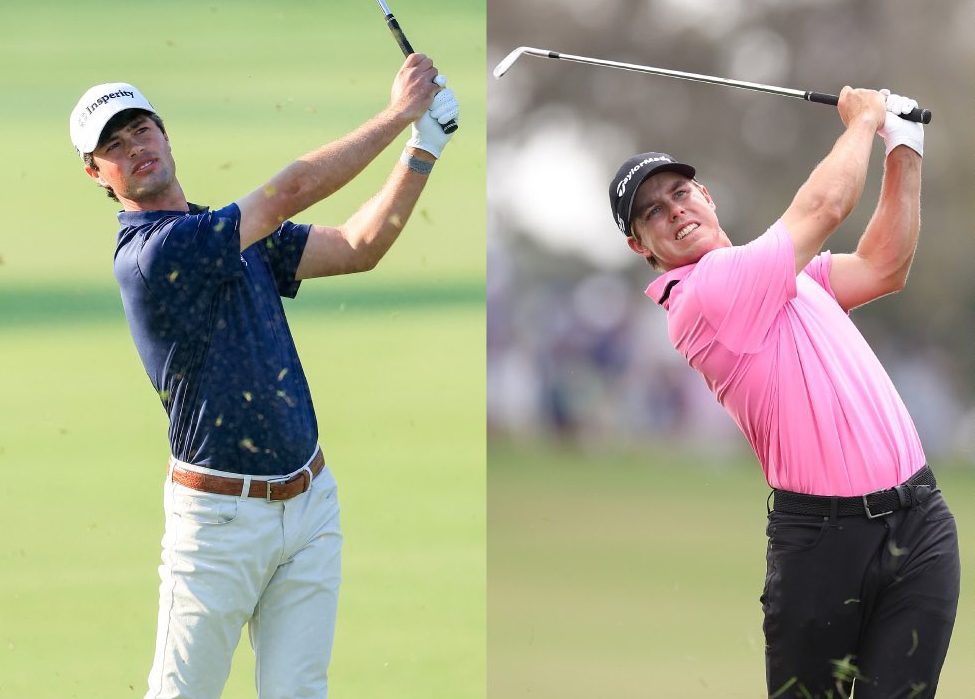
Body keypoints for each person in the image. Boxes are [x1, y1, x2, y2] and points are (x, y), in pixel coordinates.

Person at [69, 53, 459, 699]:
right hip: (217, 525)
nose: (134, 147)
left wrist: (425, 146)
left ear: (164, 134)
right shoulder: (154, 254)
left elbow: (358, 247)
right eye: (113, 145)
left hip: (310, 505)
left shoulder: (224, 231)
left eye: (140, 129)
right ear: (95, 173)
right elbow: (288, 193)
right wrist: (399, 114)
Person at [607, 88, 959, 698]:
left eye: (680, 193)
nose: (675, 211)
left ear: (707, 196)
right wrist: (865, 120)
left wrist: (904, 146)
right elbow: (825, 206)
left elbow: (884, 266)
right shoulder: (705, 292)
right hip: (824, 543)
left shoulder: (783, 275)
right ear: (642, 247)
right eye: (653, 213)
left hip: (918, 521)